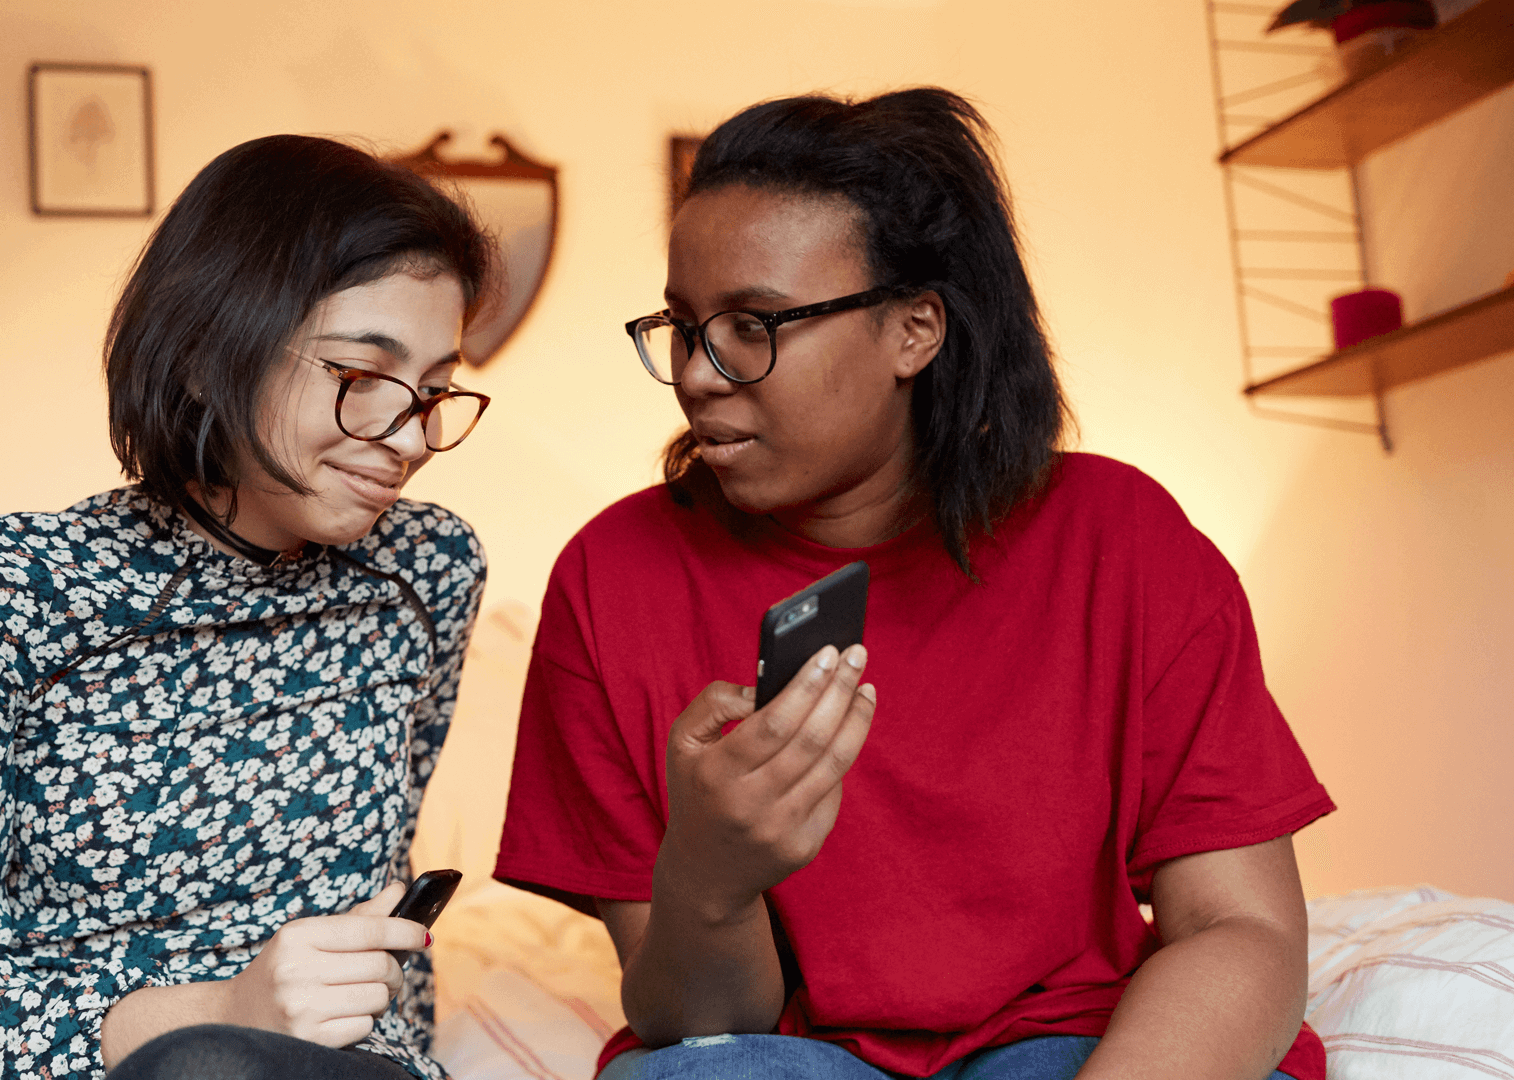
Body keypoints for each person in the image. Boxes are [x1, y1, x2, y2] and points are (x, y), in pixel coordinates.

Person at [495, 89, 1335, 1080]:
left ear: (915, 330)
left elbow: (1245, 930)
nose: (699, 375)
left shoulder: (1124, 540)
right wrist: (707, 879)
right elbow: (704, 1023)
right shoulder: (610, 578)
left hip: (1077, 1048)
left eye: (755, 325)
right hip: (780, 1056)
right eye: (684, 324)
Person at [0, 135, 495, 1080]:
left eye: (435, 391)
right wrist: (219, 1014)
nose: (409, 438)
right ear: (205, 354)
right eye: (361, 377)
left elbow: (381, 914)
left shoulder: (428, 568)